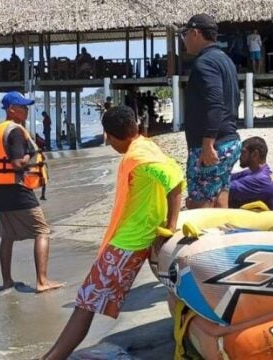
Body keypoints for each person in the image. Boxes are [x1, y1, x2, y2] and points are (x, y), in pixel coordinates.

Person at [41, 106, 184, 360]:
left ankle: (51, 358)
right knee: (89, 303)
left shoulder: (137, 158)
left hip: (128, 243)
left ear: (111, 136)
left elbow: (175, 183)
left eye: (107, 138)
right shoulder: (146, 146)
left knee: (85, 304)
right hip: (138, 238)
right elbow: (173, 178)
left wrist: (171, 227)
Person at [0, 91, 62, 293]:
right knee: (42, 231)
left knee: (8, 235)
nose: (26, 110)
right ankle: (42, 281)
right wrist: (32, 152)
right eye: (23, 107)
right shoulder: (16, 131)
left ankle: (7, 281)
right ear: (12, 109)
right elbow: (17, 163)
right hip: (17, 189)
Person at [180, 13, 241, 209]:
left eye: (185, 34)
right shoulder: (225, 60)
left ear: (195, 33)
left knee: (200, 202)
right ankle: (223, 237)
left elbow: (215, 103)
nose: (184, 40)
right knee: (221, 193)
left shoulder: (204, 63)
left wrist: (208, 144)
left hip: (212, 145)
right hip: (229, 140)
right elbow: (235, 99)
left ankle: (205, 239)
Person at [229, 137, 273, 211]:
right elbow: (228, 178)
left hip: (265, 221)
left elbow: (224, 188)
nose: (240, 156)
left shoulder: (260, 179)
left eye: (243, 152)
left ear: (255, 154)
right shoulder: (260, 171)